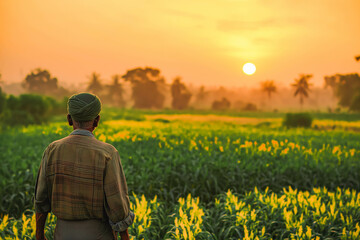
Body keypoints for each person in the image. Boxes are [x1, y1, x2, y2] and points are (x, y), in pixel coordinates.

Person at [34, 93, 134, 240]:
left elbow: (41, 200)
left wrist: (39, 235)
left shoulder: (52, 150)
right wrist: (125, 237)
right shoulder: (107, 153)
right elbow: (117, 204)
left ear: (69, 119)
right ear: (97, 120)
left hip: (62, 234)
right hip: (98, 234)